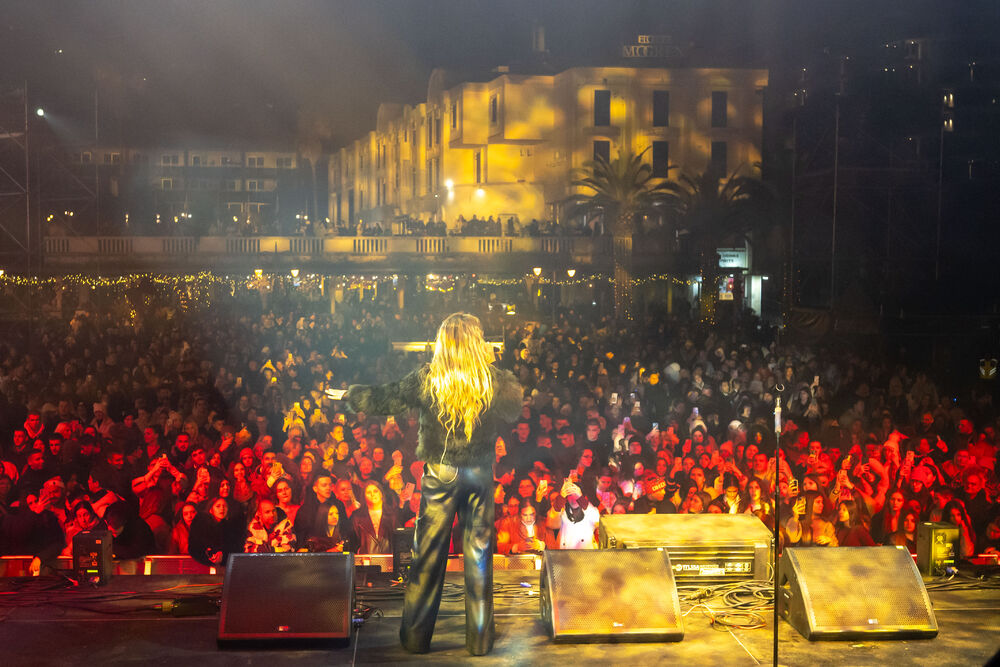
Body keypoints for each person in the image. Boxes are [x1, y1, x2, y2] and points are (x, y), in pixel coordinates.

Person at [345, 312, 522, 655]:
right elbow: (514, 407)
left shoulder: (430, 376)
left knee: (427, 557)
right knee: (480, 556)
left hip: (442, 472)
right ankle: (480, 642)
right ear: (477, 341)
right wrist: (495, 367)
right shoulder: (491, 378)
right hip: (480, 473)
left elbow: (388, 397)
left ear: (443, 342)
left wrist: (353, 395)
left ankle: (415, 639)